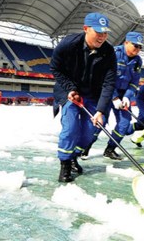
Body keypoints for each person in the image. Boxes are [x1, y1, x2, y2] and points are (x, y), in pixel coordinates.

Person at [50, 12, 116, 183]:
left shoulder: (109, 52)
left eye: (105, 33)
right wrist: (70, 89)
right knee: (71, 128)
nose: (102, 36)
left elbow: (109, 83)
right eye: (98, 32)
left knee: (91, 131)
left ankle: (74, 156)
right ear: (86, 29)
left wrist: (101, 110)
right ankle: (65, 164)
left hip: (93, 94)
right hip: (69, 92)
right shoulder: (68, 45)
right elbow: (56, 69)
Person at [80, 31, 143, 160]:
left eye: (140, 47)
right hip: (106, 91)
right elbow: (103, 77)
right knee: (100, 121)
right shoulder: (113, 53)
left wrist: (127, 97)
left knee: (125, 123)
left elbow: (135, 82)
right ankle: (85, 147)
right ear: (126, 42)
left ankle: (110, 149)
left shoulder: (138, 61)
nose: (137, 49)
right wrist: (113, 97)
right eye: (135, 45)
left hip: (123, 93)